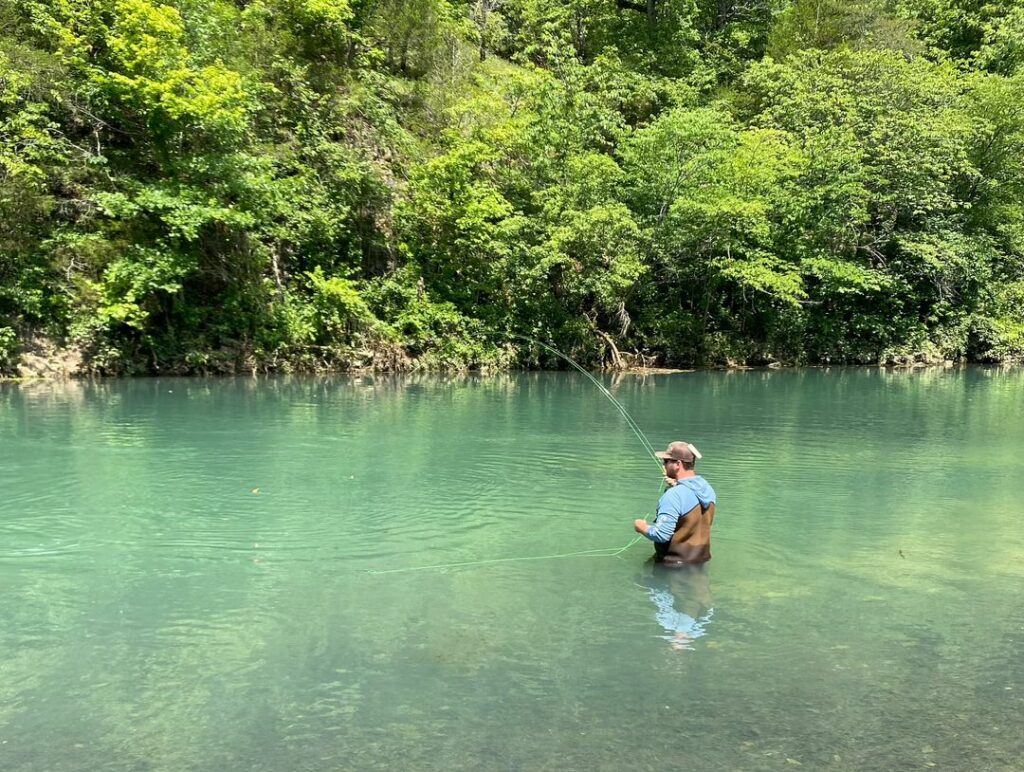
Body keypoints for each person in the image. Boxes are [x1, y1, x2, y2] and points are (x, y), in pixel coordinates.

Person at [633, 441, 717, 565]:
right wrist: (676, 485)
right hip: (700, 560)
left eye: (666, 461)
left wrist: (641, 527)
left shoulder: (673, 495)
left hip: (673, 567)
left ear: (678, 464)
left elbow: (661, 535)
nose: (664, 465)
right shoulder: (706, 488)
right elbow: (691, 497)